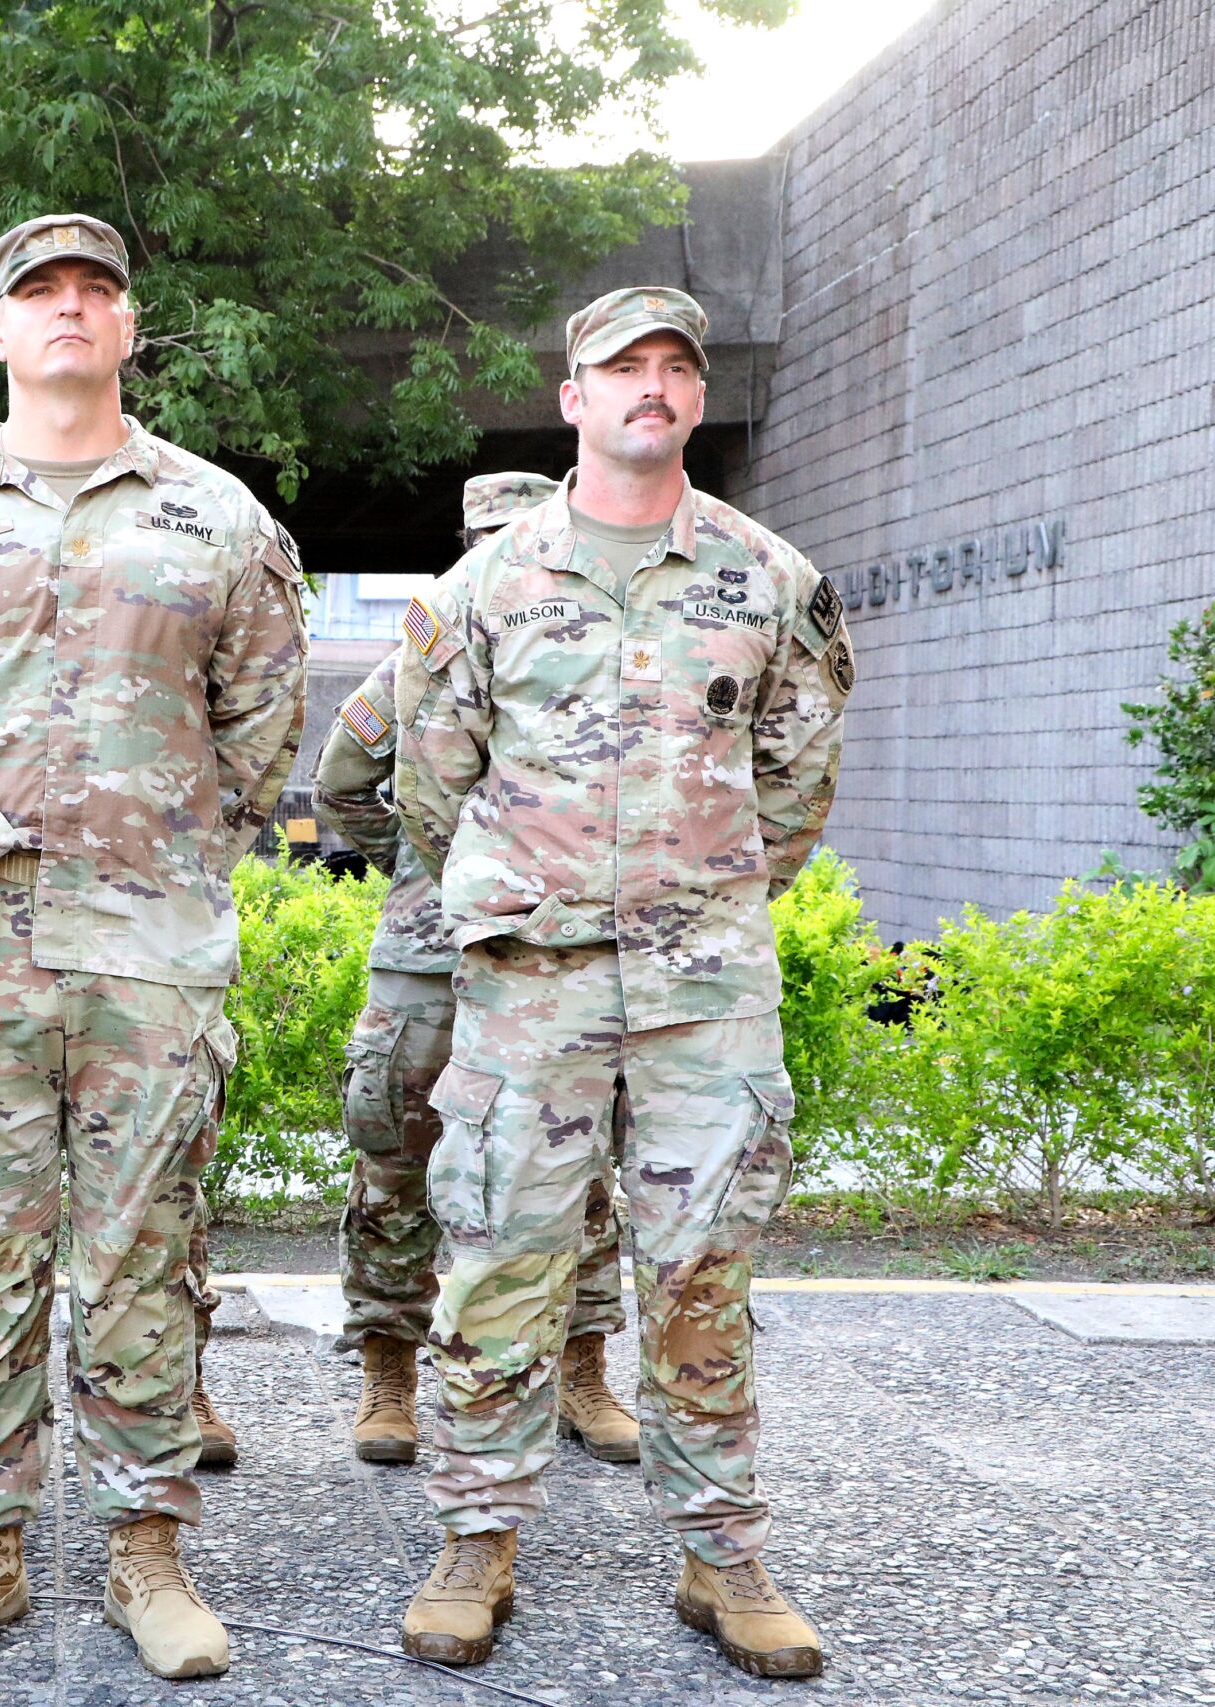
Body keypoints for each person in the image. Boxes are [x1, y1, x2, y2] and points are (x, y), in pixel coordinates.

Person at [0, 214, 308, 1681]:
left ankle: (144, 1550)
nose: (70, 309)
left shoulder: (214, 516)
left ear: (129, 326)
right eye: (40, 291)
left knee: (143, 1254)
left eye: (97, 289)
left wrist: (162, 851)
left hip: (148, 946)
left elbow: (259, 722)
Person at [389, 288, 851, 1679]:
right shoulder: (484, 588)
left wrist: (693, 898)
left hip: (705, 986)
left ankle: (722, 1551)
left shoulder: (769, 578)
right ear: (573, 396)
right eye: (621, 366)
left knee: (704, 1261)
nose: (651, 385)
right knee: (501, 1258)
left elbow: (797, 778)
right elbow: (434, 784)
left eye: (673, 368)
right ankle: (476, 1536)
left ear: (696, 397)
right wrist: (540, 897)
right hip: (532, 986)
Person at [317, 475, 639, 1469]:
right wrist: (434, 868)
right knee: (396, 1161)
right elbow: (343, 780)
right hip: (430, 959)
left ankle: (583, 1372)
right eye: (490, 541)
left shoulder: (607, 664)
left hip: (558, 959)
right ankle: (388, 1377)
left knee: (576, 1167)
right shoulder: (423, 655)